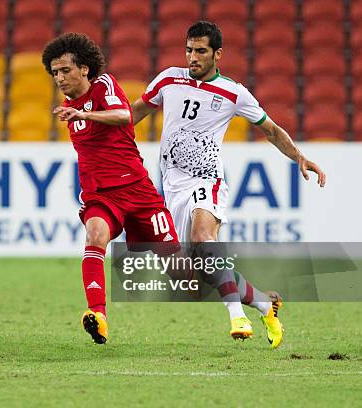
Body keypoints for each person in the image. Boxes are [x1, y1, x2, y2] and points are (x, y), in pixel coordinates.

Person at [131, 21, 326, 348]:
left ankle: (237, 316)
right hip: (172, 186)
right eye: (189, 50)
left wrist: (299, 157)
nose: (193, 57)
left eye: (201, 51)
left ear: (217, 54)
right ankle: (265, 305)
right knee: (188, 277)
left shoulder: (234, 93)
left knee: (204, 237)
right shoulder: (168, 79)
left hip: (208, 179)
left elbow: (271, 130)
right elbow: (134, 113)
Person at [42, 33, 184, 344]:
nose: (59, 78)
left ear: (84, 69)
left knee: (182, 274)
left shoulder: (103, 86)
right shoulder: (69, 106)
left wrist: (83, 114)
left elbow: (125, 116)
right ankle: (98, 315)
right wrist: (78, 112)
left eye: (65, 70)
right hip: (101, 196)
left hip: (138, 192)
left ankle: (256, 298)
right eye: (54, 72)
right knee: (95, 237)